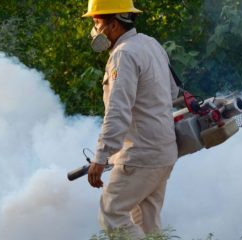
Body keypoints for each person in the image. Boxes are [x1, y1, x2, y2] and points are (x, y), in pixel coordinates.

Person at [82, 0, 180, 239]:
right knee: (148, 226)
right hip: (163, 154)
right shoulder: (150, 44)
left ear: (114, 24)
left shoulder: (123, 55)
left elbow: (117, 111)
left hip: (140, 157)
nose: (94, 30)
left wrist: (100, 157)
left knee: (111, 214)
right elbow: (173, 92)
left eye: (97, 22)